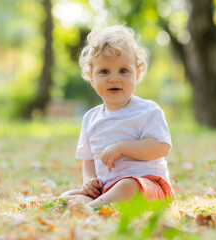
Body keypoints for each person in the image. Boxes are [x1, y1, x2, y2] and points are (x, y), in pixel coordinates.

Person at [59, 25, 174, 208]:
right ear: (91, 76)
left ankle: (93, 207)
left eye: (123, 71)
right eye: (104, 71)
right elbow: (88, 158)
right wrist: (89, 181)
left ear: (137, 73)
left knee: (128, 185)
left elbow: (161, 147)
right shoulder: (91, 118)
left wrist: (122, 148)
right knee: (66, 195)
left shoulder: (147, 111)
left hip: (148, 185)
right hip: (107, 188)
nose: (114, 78)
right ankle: (97, 201)